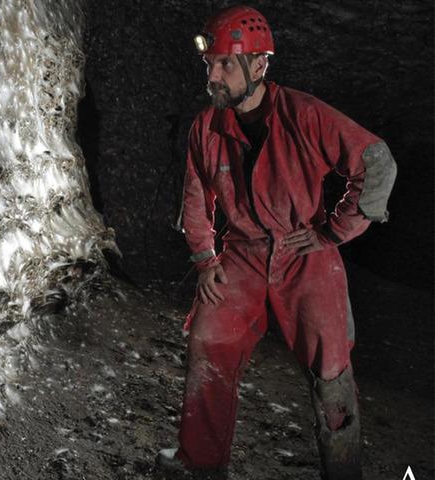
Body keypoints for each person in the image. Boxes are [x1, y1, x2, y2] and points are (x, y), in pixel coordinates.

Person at [156, 5, 397, 480]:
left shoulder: (303, 114)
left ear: (259, 65)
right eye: (211, 65)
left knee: (331, 369)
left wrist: (334, 230)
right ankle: (201, 465)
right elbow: (195, 196)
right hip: (241, 256)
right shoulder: (208, 126)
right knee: (209, 338)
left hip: (304, 256)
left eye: (226, 64)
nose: (214, 75)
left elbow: (375, 162)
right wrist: (205, 260)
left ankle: (344, 472)